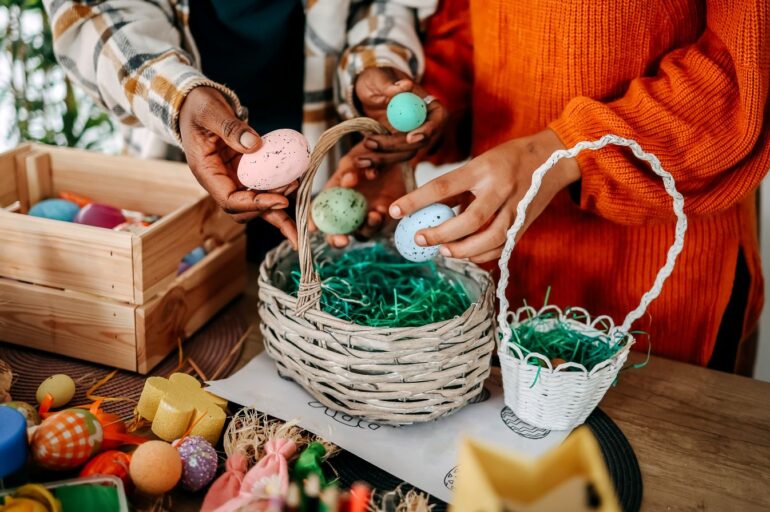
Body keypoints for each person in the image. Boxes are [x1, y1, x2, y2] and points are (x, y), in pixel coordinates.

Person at [330, 0, 769, 371]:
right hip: (505, 275)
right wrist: (423, 121)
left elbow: (741, 73)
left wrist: (559, 153)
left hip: (659, 291)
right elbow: (467, 27)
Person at [42, 0, 444, 259]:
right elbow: (95, 12)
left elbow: (379, 7)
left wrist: (375, 69)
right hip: (183, 166)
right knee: (195, 277)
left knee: (310, 268)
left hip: (331, 173)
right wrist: (180, 99)